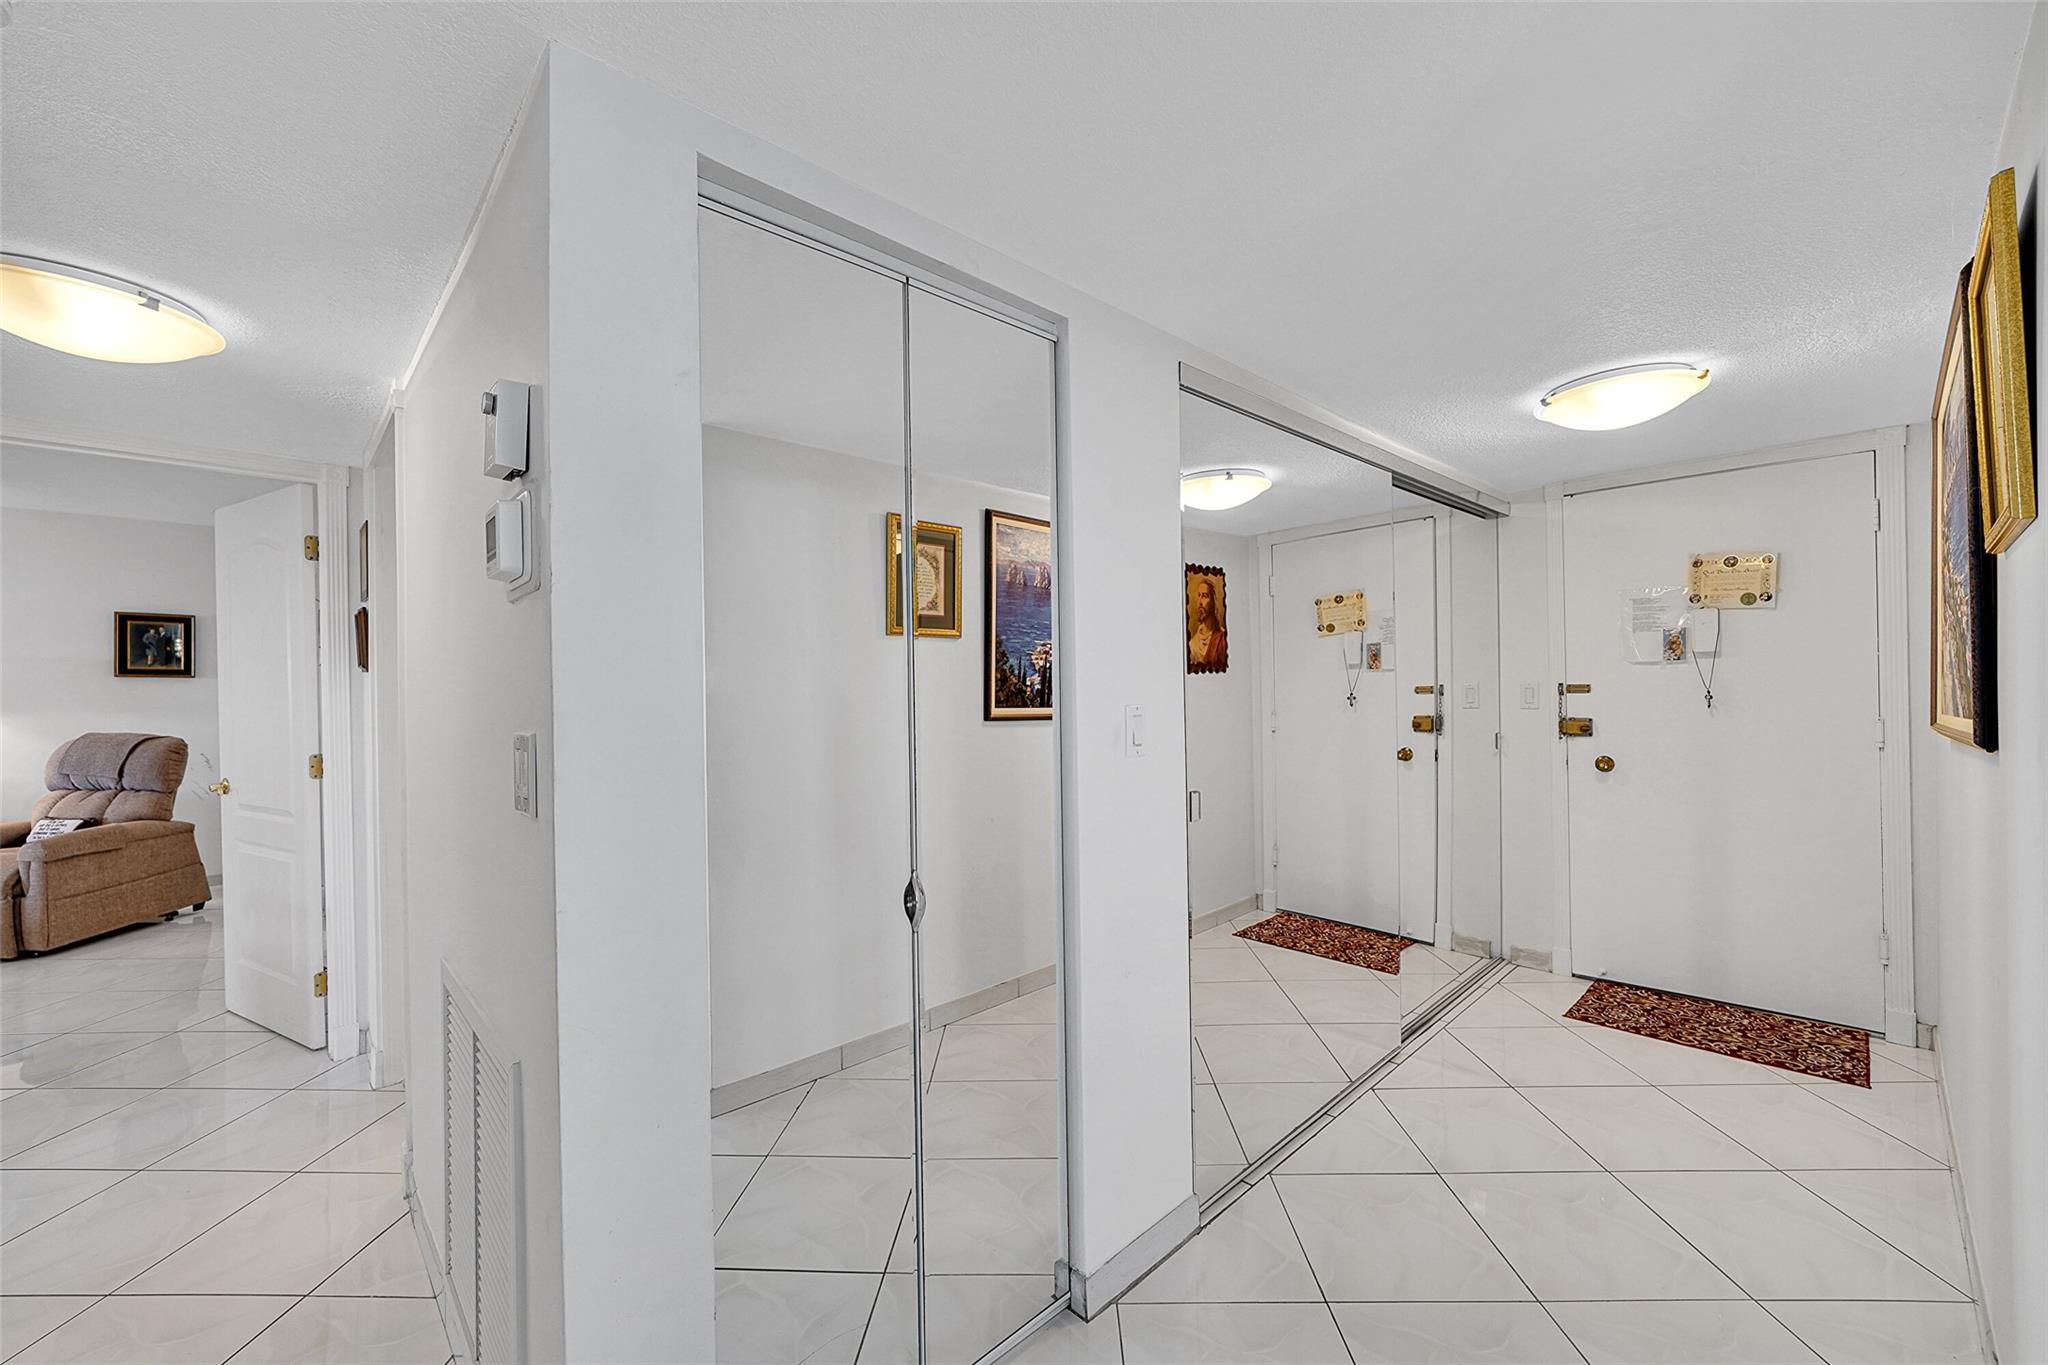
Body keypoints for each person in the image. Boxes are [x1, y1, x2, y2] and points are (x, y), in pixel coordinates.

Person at [1188, 576, 1227, 669]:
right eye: (1199, 595)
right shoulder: (1193, 643)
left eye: (1205, 596)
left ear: (1213, 602)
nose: (1200, 602)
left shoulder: (1221, 638)